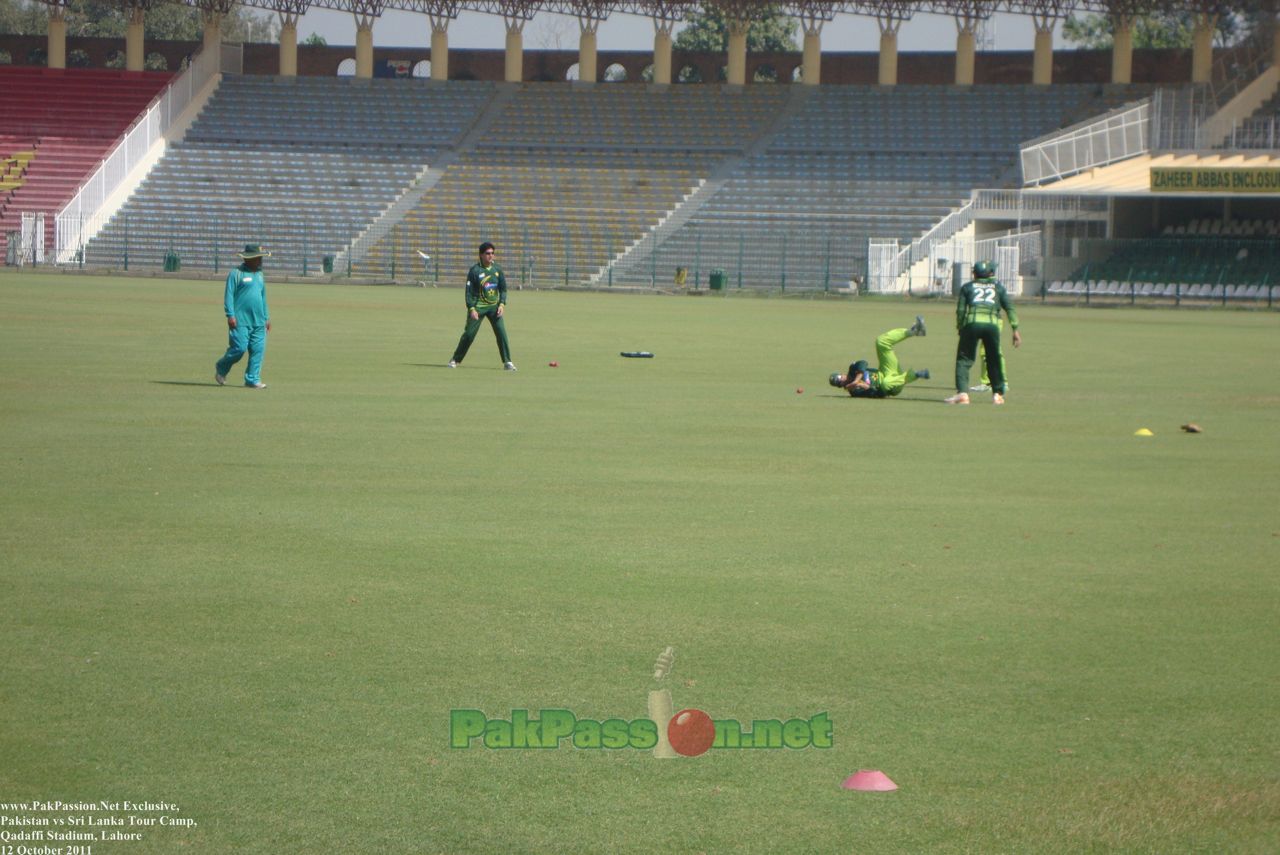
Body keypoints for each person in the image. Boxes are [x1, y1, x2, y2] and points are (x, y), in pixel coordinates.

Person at [945, 260, 1021, 406]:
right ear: (991, 273)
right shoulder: (998, 287)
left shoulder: (967, 287)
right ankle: (997, 395)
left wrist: (960, 326)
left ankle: (962, 394)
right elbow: (1010, 308)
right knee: (994, 359)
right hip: (992, 326)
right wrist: (1015, 329)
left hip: (972, 324)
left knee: (964, 359)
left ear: (974, 273)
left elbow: (961, 310)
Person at [448, 241, 515, 371]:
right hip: (478, 308)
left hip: (494, 308)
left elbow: (503, 289)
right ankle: (455, 359)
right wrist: (471, 308)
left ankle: (508, 362)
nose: (491, 256)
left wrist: (502, 304)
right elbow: (469, 292)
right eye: (488, 253)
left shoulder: (497, 270)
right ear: (481, 255)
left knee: (501, 334)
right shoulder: (475, 270)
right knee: (469, 335)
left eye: (492, 253)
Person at [828, 316, 930, 398]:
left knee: (881, 342)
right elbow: (878, 393)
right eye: (839, 382)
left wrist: (856, 379)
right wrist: (861, 385)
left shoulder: (852, 369)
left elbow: (863, 363)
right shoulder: (854, 392)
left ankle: (914, 331)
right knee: (885, 384)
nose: (842, 380)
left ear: (841, 374)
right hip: (892, 386)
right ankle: (916, 374)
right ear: (841, 386)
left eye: (840, 377)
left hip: (885, 371)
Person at [215, 244, 271, 389]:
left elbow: (263, 297)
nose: (260, 261)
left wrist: (267, 317)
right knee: (239, 349)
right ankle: (221, 368)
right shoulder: (236, 273)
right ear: (248, 259)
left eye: (260, 258)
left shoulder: (259, 274)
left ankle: (252, 379)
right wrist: (230, 315)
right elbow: (229, 295)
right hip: (240, 320)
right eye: (257, 258)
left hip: (258, 321)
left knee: (257, 351)